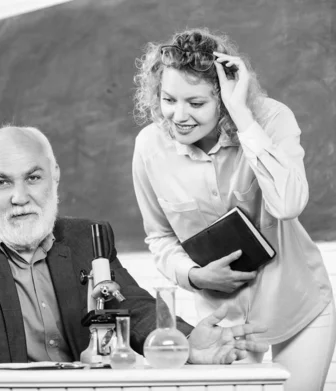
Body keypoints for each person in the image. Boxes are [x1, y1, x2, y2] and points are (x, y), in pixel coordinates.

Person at [0, 125, 268, 366]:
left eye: (33, 177)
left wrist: (186, 343)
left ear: (54, 175)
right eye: (0, 183)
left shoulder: (88, 237)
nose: (20, 197)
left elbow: (133, 308)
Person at [131, 27, 335, 389]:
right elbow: (160, 236)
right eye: (168, 99)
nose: (178, 115)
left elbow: (288, 204)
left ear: (223, 96)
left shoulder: (271, 120)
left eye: (196, 103)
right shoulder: (149, 147)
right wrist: (194, 275)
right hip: (223, 323)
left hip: (300, 305)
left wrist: (242, 117)